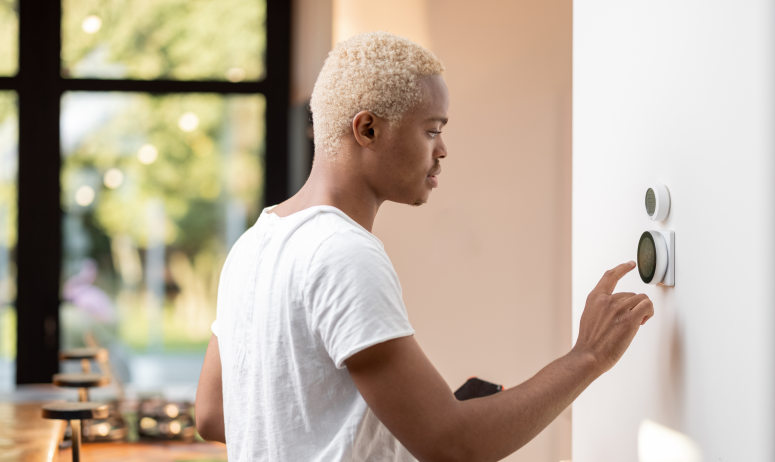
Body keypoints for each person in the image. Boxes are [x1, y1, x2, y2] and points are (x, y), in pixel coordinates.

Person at [194, 31, 654, 462]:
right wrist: (587, 356)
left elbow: (213, 413)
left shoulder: (254, 243)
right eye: (432, 130)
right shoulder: (343, 254)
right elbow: (452, 443)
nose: (443, 150)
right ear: (367, 130)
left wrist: (389, 423)